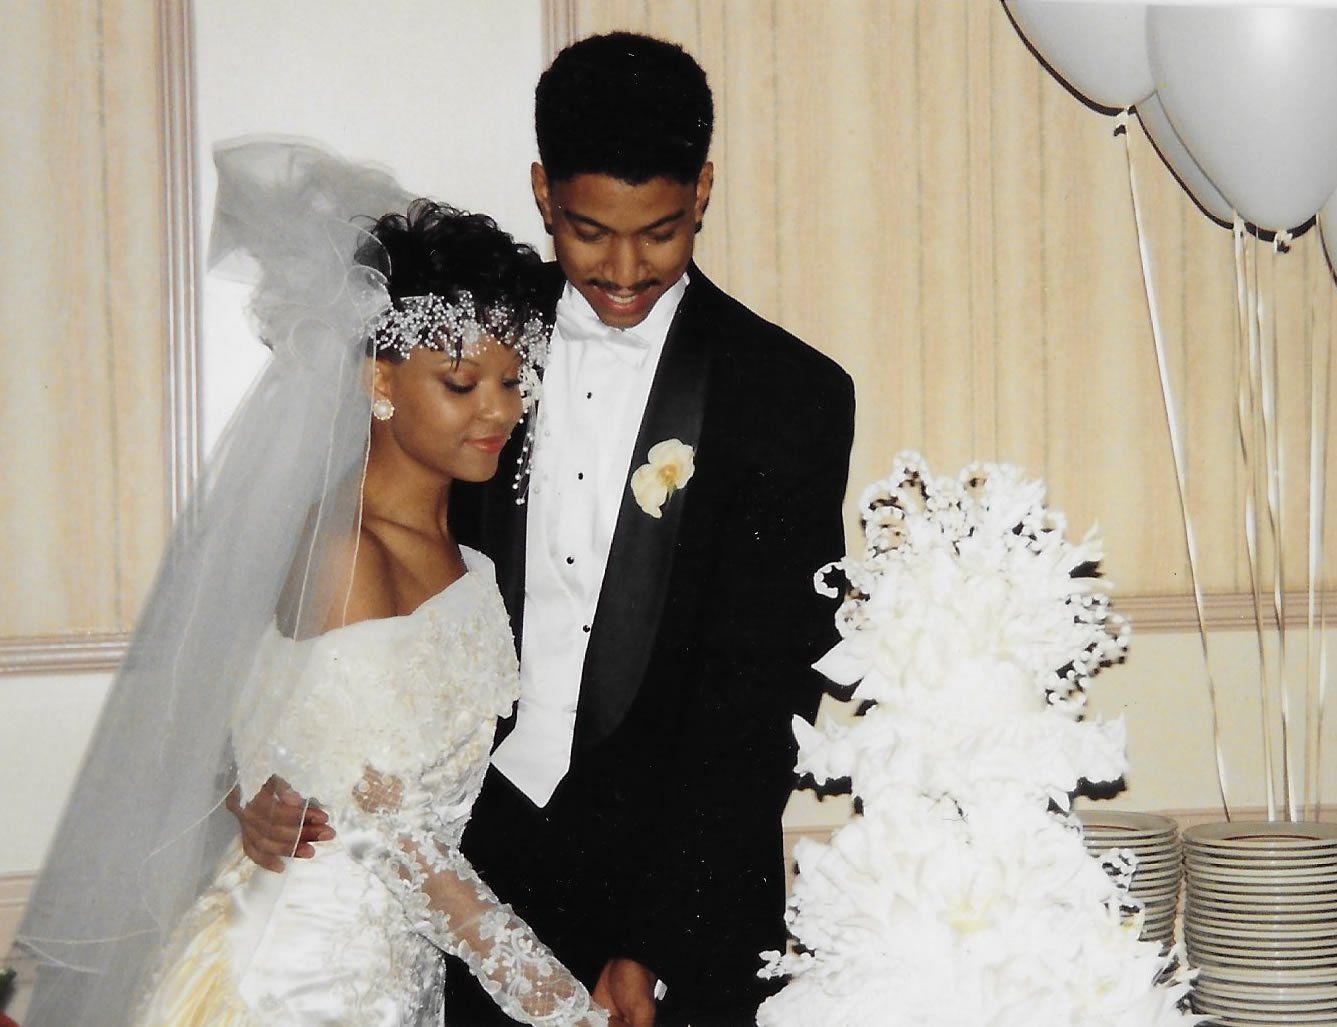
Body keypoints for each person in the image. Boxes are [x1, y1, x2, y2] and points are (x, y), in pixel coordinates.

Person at [238, 32, 857, 1026]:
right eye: (588, 231)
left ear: (702, 192)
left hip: (679, 901)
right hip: (461, 887)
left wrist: (653, 943)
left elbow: (759, 705)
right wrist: (253, 788)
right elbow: (298, 601)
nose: (623, 268)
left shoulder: (789, 397)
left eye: (658, 232)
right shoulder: (464, 343)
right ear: (542, 192)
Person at [13, 140, 612, 1026]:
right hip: (297, 983)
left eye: (512, 378)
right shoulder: (344, 552)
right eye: (461, 383)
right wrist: (557, 1003)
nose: (500, 409)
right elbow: (389, 834)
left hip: (395, 974)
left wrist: (241, 784)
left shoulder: (474, 551)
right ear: (379, 379)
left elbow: (267, 717)